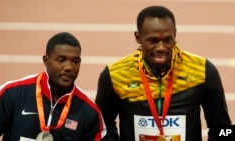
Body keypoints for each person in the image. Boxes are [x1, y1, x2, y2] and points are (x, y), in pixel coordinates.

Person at [95, 5, 231, 141]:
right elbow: (101, 127)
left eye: (167, 40)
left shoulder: (202, 71)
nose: (161, 48)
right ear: (138, 37)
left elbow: (223, 129)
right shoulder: (116, 75)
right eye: (153, 41)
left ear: (175, 35)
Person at [0, 32, 106, 141]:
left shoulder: (89, 112)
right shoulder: (12, 93)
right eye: (61, 59)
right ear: (46, 60)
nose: (69, 67)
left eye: (75, 61)